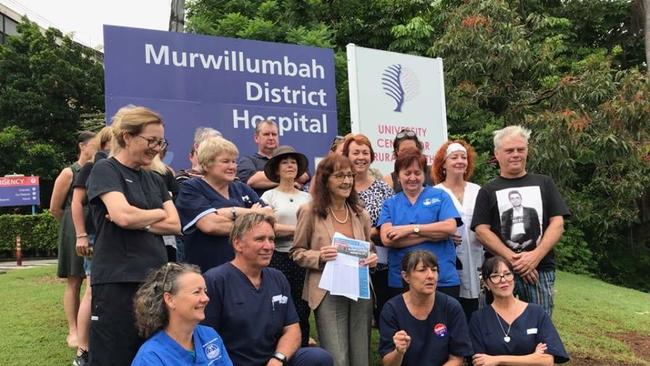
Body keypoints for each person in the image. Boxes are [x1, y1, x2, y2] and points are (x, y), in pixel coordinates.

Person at [86, 106, 181, 366]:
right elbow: (122, 216)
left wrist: (140, 220)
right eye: (151, 140)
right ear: (127, 136)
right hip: (118, 280)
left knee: (151, 352)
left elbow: (175, 224)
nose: (157, 148)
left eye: (161, 142)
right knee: (114, 354)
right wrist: (155, 214)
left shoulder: (155, 179)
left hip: (155, 280)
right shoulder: (106, 170)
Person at [203, 213, 333, 366]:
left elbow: (292, 330)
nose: (269, 246)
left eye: (271, 239)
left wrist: (278, 358)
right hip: (233, 362)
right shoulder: (215, 281)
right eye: (260, 239)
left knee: (318, 358)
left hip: (273, 361)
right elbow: (205, 339)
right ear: (238, 244)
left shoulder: (277, 278)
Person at [471, 125, 570, 316]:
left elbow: (557, 224)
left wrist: (535, 257)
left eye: (520, 149)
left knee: (539, 327)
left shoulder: (545, 183)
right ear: (497, 154)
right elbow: (482, 230)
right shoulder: (487, 190)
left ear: (527, 151)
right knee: (494, 327)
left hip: (540, 271)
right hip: (498, 272)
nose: (516, 154)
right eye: (509, 150)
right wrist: (515, 260)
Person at [292, 154, 378, 366]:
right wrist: (319, 256)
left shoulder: (360, 214)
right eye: (340, 176)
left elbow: (369, 247)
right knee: (336, 355)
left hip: (359, 289)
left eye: (350, 176)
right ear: (325, 180)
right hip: (327, 291)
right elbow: (296, 252)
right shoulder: (309, 211)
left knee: (361, 354)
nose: (347, 181)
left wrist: (372, 258)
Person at [175, 136, 272, 273]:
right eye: (226, 161)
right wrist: (249, 213)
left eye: (234, 161)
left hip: (244, 273)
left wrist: (223, 213)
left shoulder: (241, 188)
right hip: (206, 273)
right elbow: (211, 225)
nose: (232, 166)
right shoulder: (191, 188)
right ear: (207, 164)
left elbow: (268, 216)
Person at [378, 150, 462, 299]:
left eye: (417, 173)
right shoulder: (390, 204)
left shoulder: (440, 196)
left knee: (442, 322)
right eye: (407, 173)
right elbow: (387, 239)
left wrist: (410, 229)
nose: (412, 178)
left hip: (442, 280)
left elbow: (450, 227)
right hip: (402, 282)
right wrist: (434, 234)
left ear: (424, 175)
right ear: (398, 176)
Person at [378, 250, 473, 366]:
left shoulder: (451, 307)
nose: (431, 276)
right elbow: (388, 363)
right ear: (406, 276)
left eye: (434, 270)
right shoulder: (392, 309)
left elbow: (457, 358)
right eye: (422, 270)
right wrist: (398, 352)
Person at [469, 257, 569, 365]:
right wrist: (533, 358)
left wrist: (497, 360)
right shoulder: (478, 319)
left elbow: (547, 361)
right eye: (495, 276)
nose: (503, 280)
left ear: (514, 278)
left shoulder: (536, 313)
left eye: (507, 274)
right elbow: (480, 362)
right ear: (486, 284)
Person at [260, 145, 312, 347]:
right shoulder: (268, 196)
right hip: (276, 257)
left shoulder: (307, 197)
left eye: (293, 162)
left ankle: (303, 350)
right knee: (277, 305)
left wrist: (285, 228)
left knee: (301, 307)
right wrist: (298, 230)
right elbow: (267, 227)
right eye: (285, 162)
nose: (290, 166)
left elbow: (314, 227)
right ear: (276, 168)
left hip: (302, 257)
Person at [131, 262, 232, 366]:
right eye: (197, 292)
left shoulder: (209, 336)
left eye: (205, 291)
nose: (206, 298)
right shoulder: (151, 357)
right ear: (170, 300)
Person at [70, 126, 113, 366]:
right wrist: (81, 235)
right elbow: (76, 202)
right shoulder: (91, 167)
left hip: (118, 237)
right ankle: (83, 349)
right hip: (95, 235)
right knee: (91, 289)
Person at [341, 134, 394, 323]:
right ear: (346, 156)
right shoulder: (340, 186)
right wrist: (369, 232)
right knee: (353, 319)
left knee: (384, 317)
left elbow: (391, 224)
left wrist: (365, 233)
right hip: (347, 262)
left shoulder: (383, 188)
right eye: (355, 152)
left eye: (365, 152)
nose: (361, 157)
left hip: (381, 262)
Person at [51, 130, 96, 348]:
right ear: (82, 146)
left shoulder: (98, 169)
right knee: (74, 279)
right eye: (94, 144)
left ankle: (89, 326)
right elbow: (55, 207)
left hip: (95, 228)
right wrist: (71, 227)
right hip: (73, 229)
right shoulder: (70, 172)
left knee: (91, 279)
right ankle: (73, 329)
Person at [432, 140, 483, 320]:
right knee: (452, 311)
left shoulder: (478, 191)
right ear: (443, 163)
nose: (460, 161)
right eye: (454, 157)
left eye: (464, 157)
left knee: (477, 309)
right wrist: (445, 235)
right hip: (449, 262)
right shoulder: (435, 193)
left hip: (478, 258)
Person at [237, 119, 310, 196]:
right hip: (264, 206)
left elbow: (304, 176)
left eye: (274, 134)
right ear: (256, 138)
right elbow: (253, 181)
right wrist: (289, 179)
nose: (271, 138)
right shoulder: (248, 161)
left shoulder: (291, 156)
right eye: (266, 134)